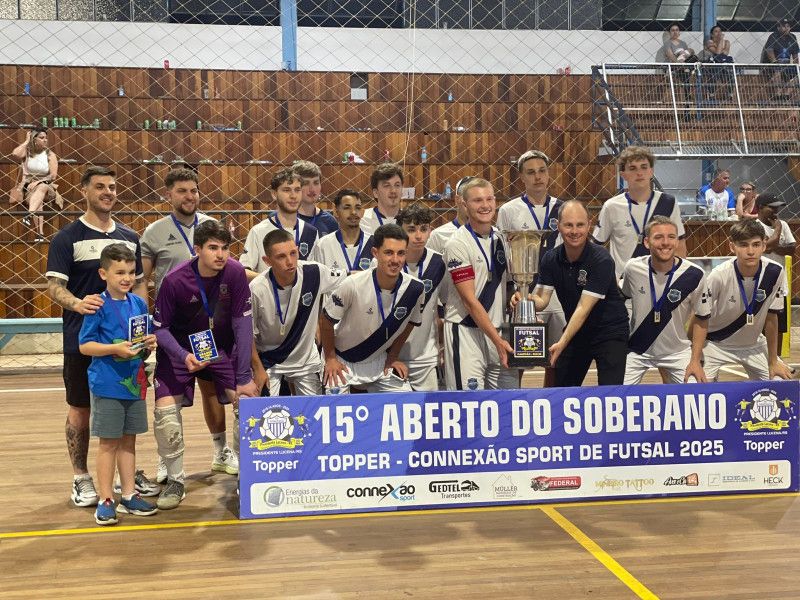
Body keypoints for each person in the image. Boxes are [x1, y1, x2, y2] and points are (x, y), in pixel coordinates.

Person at [46, 166, 153, 507]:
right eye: (100, 187)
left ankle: (126, 478)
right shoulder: (67, 238)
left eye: (112, 186)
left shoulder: (129, 237)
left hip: (128, 348)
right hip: (84, 340)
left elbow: (139, 286)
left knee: (124, 411)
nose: (108, 192)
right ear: (84, 191)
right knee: (80, 409)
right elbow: (53, 287)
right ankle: (81, 477)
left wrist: (143, 331)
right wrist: (78, 304)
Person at [152, 220, 258, 510]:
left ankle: (248, 479)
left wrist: (244, 375)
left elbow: (243, 324)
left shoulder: (235, 272)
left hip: (220, 349)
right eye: (213, 248)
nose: (221, 254)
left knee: (248, 402)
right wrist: (183, 355)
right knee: (166, 415)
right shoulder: (174, 280)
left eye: (225, 248)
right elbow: (160, 329)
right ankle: (175, 479)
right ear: (197, 250)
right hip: (179, 351)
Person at [139, 168, 237, 483]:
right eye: (182, 191)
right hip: (174, 328)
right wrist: (145, 325)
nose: (189, 196)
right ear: (169, 195)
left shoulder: (211, 228)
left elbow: (233, 270)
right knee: (171, 400)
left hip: (210, 329)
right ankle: (166, 461)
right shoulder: (154, 232)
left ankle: (221, 452)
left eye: (193, 190)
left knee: (212, 392)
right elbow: (141, 280)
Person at [78, 244, 158, 525]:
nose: (126, 278)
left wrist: (149, 343)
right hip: (106, 384)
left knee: (129, 440)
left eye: (131, 272)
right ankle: (105, 498)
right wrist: (114, 350)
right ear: (104, 273)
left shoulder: (138, 303)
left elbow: (142, 343)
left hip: (135, 384)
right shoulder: (96, 305)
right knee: (108, 443)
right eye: (119, 272)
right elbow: (85, 346)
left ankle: (129, 493)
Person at [525, 200, 629, 387]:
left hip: (609, 333)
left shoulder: (602, 259)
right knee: (561, 391)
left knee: (610, 394)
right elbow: (542, 300)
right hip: (577, 331)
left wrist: (562, 342)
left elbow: (583, 308)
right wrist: (526, 299)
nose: (574, 231)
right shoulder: (550, 258)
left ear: (589, 225)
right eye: (568, 225)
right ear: (558, 226)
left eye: (580, 225)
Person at [320, 224, 424, 394]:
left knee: (406, 402)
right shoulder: (352, 284)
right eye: (389, 253)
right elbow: (325, 321)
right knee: (335, 412)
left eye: (401, 253)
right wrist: (330, 358)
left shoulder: (415, 289)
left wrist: (392, 357)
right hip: (342, 360)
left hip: (379, 362)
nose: (395, 260)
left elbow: (410, 323)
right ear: (375, 253)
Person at [497, 150, 565, 386]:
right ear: (521, 178)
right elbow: (503, 254)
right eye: (531, 172)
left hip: (556, 292)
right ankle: (515, 398)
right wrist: (509, 293)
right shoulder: (508, 210)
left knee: (556, 354)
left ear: (549, 175)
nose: (538, 177)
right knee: (521, 355)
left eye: (542, 171)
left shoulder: (563, 208)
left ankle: (552, 398)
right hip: (523, 291)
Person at [250, 229, 346, 396]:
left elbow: (349, 279)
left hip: (306, 360)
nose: (290, 261)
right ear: (267, 261)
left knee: (312, 414)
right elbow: (247, 335)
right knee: (267, 414)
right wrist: (257, 368)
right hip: (270, 359)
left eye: (293, 253)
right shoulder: (257, 288)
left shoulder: (314, 272)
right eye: (281, 257)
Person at [443, 178, 517, 391]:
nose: (485, 206)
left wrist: (515, 297)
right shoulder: (457, 243)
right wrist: (497, 341)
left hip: (497, 330)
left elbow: (507, 284)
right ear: (464, 205)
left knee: (500, 405)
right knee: (468, 404)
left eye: (489, 199)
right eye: (477, 200)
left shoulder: (502, 239)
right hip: (466, 330)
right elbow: (469, 300)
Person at [620, 216, 709, 385]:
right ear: (647, 242)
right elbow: (623, 299)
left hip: (677, 353)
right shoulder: (632, 268)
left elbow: (702, 318)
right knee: (616, 396)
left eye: (671, 237)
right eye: (658, 237)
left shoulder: (694, 275)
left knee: (695, 394)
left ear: (677, 241)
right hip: (637, 351)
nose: (665, 242)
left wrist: (695, 360)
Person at [702, 219, 792, 381]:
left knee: (780, 384)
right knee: (697, 388)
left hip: (754, 344)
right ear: (732, 247)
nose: (750, 251)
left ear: (764, 246)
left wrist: (773, 361)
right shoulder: (719, 274)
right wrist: (694, 357)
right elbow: (699, 316)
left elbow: (772, 318)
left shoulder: (775, 271)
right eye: (743, 245)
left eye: (756, 244)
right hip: (715, 344)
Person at [593, 146, 686, 279]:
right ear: (623, 174)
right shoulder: (611, 206)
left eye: (644, 167)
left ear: (651, 171)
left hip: (659, 280)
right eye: (632, 168)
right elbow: (597, 246)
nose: (639, 173)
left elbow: (680, 244)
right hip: (622, 283)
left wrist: (676, 277)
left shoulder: (668, 202)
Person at [394, 203, 447, 391]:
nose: (418, 236)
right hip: (392, 357)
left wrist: (442, 345)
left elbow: (446, 307)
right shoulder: (388, 262)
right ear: (399, 231)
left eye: (423, 229)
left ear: (430, 230)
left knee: (429, 417)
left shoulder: (439, 262)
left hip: (426, 356)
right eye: (411, 229)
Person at [241, 168, 320, 273]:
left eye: (297, 190)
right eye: (286, 190)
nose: (293, 196)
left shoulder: (311, 232)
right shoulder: (258, 231)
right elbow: (244, 270)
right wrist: (270, 281)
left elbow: (318, 272)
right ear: (274, 194)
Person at [755, 192, 796, 359]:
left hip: (780, 283)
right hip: (759, 283)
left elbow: (791, 249)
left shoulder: (783, 224)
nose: (775, 211)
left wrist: (773, 245)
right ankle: (761, 358)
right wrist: (777, 232)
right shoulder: (754, 226)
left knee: (779, 325)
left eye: (777, 208)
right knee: (760, 325)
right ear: (760, 208)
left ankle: (776, 359)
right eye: (771, 208)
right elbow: (765, 247)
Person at [11, 127, 60, 242]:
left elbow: (53, 176)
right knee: (38, 199)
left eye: (46, 138)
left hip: (47, 186)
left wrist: (38, 181)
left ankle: (29, 215)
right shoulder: (27, 153)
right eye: (41, 138)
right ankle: (40, 234)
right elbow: (15, 154)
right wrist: (27, 140)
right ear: (34, 139)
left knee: (42, 187)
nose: (45, 140)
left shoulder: (50, 155)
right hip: (28, 186)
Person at [315, 189, 375, 272]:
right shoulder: (323, 245)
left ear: (362, 212)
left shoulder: (374, 243)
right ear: (336, 211)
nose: (353, 212)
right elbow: (321, 280)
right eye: (347, 208)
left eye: (357, 208)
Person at [427, 175, 473, 254]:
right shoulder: (438, 236)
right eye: (466, 197)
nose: (471, 203)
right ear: (457, 200)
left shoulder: (492, 235)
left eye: (477, 199)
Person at [293, 160, 339, 236]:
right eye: (306, 183)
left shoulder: (329, 221)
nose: (312, 189)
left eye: (316, 183)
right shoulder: (284, 218)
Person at [360, 163, 403, 235]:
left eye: (397, 185)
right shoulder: (362, 220)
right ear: (376, 193)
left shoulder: (410, 221)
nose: (393, 191)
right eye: (387, 186)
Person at [761, 19, 799, 98]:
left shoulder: (793, 37)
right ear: (778, 28)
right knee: (777, 70)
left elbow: (795, 55)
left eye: (788, 26)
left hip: (786, 65)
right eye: (784, 26)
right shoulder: (773, 36)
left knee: (798, 73)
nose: (786, 28)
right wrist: (775, 62)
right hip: (772, 64)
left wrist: (797, 66)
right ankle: (777, 95)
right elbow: (769, 51)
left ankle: (786, 95)